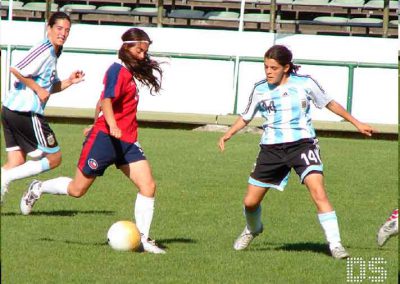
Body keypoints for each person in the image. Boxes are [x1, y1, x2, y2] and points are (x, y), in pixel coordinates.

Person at [218, 45, 375, 259]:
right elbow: (246, 116)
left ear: (286, 67)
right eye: (266, 67)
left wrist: (356, 123)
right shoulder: (260, 89)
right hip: (271, 149)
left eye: (273, 67)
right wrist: (229, 133)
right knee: (250, 202)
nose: (268, 72)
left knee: (319, 193)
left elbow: (329, 103)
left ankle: (336, 245)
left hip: (303, 145)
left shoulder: (305, 83)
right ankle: (253, 229)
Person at [19, 28, 166, 254]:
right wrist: (110, 125)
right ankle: (38, 187)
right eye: (139, 50)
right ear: (127, 48)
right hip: (106, 139)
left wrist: (94, 121)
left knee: (148, 186)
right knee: (77, 190)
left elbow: (101, 102)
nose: (143, 55)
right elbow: (107, 101)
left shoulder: (129, 73)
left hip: (127, 141)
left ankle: (143, 239)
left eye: (145, 51)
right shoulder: (116, 70)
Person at [1, 12, 85, 203]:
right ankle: (8, 179)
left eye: (67, 30)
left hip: (10, 110)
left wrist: (69, 81)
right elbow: (17, 69)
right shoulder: (44, 48)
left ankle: (4, 178)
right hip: (25, 111)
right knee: (54, 158)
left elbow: (49, 88)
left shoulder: (54, 52)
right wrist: (38, 89)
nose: (63, 33)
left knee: (16, 161)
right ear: (49, 28)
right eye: (59, 28)